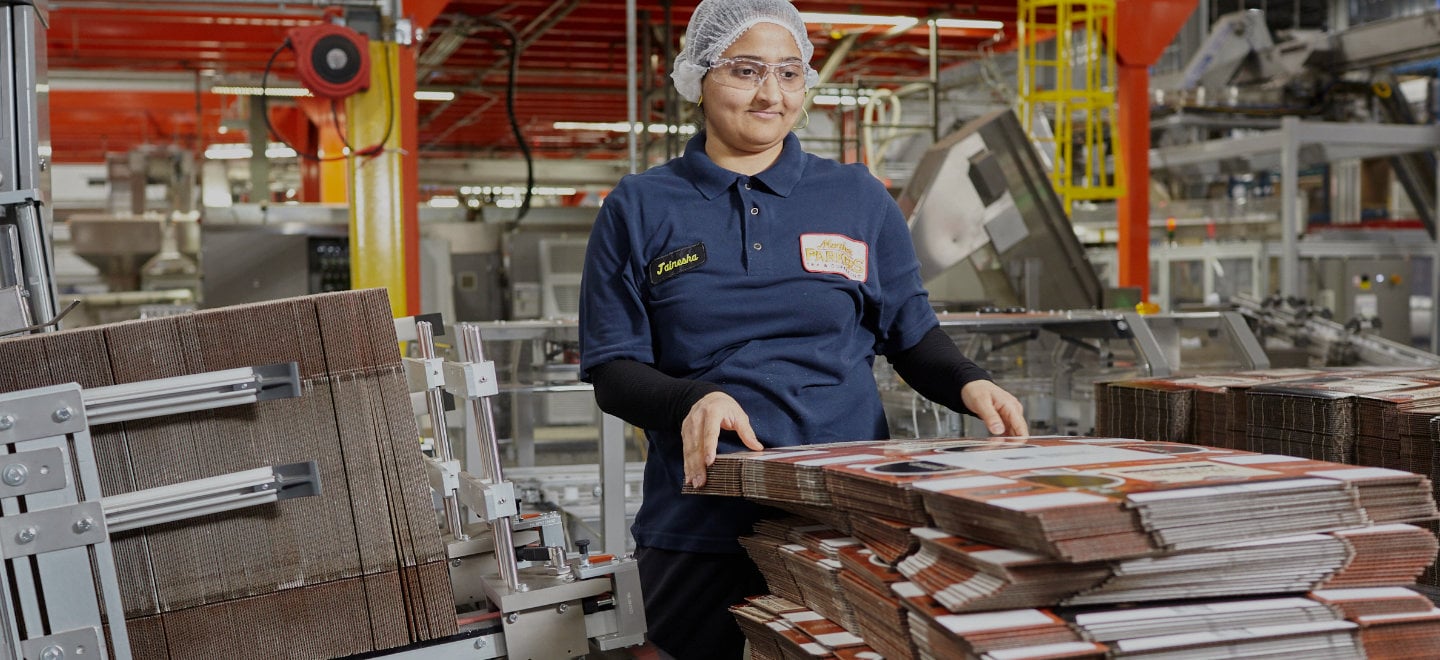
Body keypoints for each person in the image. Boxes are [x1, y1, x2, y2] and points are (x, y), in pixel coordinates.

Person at [578, 1, 1028, 657]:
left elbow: (910, 332)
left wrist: (969, 382)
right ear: (698, 78)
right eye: (746, 71)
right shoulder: (640, 206)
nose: (772, 94)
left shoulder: (856, 197)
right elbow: (613, 371)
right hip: (701, 525)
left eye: (790, 73)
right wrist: (691, 398)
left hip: (843, 518)